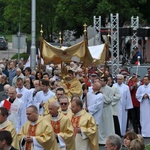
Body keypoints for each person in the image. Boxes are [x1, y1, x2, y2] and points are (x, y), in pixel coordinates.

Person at [99, 76, 115, 144]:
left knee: (108, 125)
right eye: (100, 81)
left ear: (106, 82)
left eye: (102, 81)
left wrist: (103, 95)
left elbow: (110, 100)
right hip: (100, 109)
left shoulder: (110, 90)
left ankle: (108, 139)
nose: (101, 82)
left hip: (107, 109)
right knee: (100, 125)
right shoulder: (98, 88)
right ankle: (100, 139)